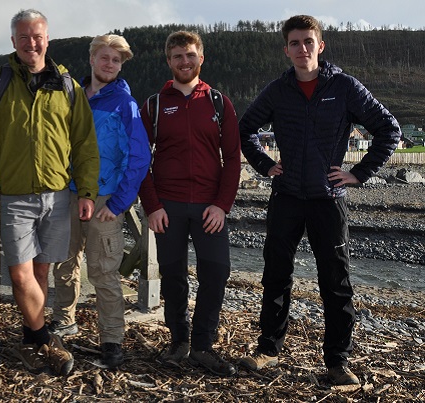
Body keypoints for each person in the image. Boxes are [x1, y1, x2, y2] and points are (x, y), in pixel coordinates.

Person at [238, 15, 401, 385]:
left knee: (336, 280)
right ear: (286, 50)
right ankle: (267, 351)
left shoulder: (344, 87)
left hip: (329, 199)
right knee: (276, 276)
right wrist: (265, 164)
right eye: (294, 43)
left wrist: (358, 173)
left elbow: (388, 130)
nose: (302, 49)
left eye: (308, 41)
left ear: (320, 45)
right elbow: (244, 129)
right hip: (287, 197)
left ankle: (337, 362)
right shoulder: (278, 90)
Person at [0, 9, 99, 376]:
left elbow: (85, 141)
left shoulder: (67, 84)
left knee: (42, 272)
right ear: (13, 42)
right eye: (23, 37)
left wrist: (86, 191)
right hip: (13, 195)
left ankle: (29, 339)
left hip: (57, 194)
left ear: (47, 39)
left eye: (37, 36)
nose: (31, 43)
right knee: (20, 275)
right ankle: (45, 339)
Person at [138, 30, 241, 376]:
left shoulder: (218, 103)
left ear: (202, 58)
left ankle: (202, 346)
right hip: (168, 206)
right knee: (173, 275)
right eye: (178, 56)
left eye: (191, 55)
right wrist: (152, 206)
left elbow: (232, 159)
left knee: (216, 271)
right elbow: (140, 159)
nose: (185, 61)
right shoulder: (153, 105)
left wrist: (222, 205)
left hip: (209, 207)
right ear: (169, 61)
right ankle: (179, 341)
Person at [50, 34, 150, 368]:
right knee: (64, 262)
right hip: (69, 192)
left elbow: (139, 157)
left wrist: (119, 202)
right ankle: (64, 319)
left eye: (116, 60)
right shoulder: (72, 96)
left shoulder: (125, 104)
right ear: (92, 58)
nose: (109, 64)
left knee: (104, 271)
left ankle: (111, 339)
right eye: (104, 57)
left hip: (106, 197)